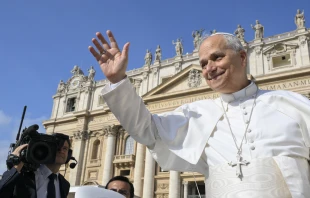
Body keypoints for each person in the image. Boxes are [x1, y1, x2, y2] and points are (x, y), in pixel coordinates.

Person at [88, 30, 310, 197]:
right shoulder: (197, 114)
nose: (209, 68)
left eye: (217, 57)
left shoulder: (292, 104)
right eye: (203, 63)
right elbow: (147, 130)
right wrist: (118, 80)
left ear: (243, 58)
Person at [0, 129, 71, 198]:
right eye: (57, 147)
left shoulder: (65, 185)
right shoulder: (23, 176)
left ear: (69, 154)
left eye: (65, 148)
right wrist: (16, 166)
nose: (61, 151)